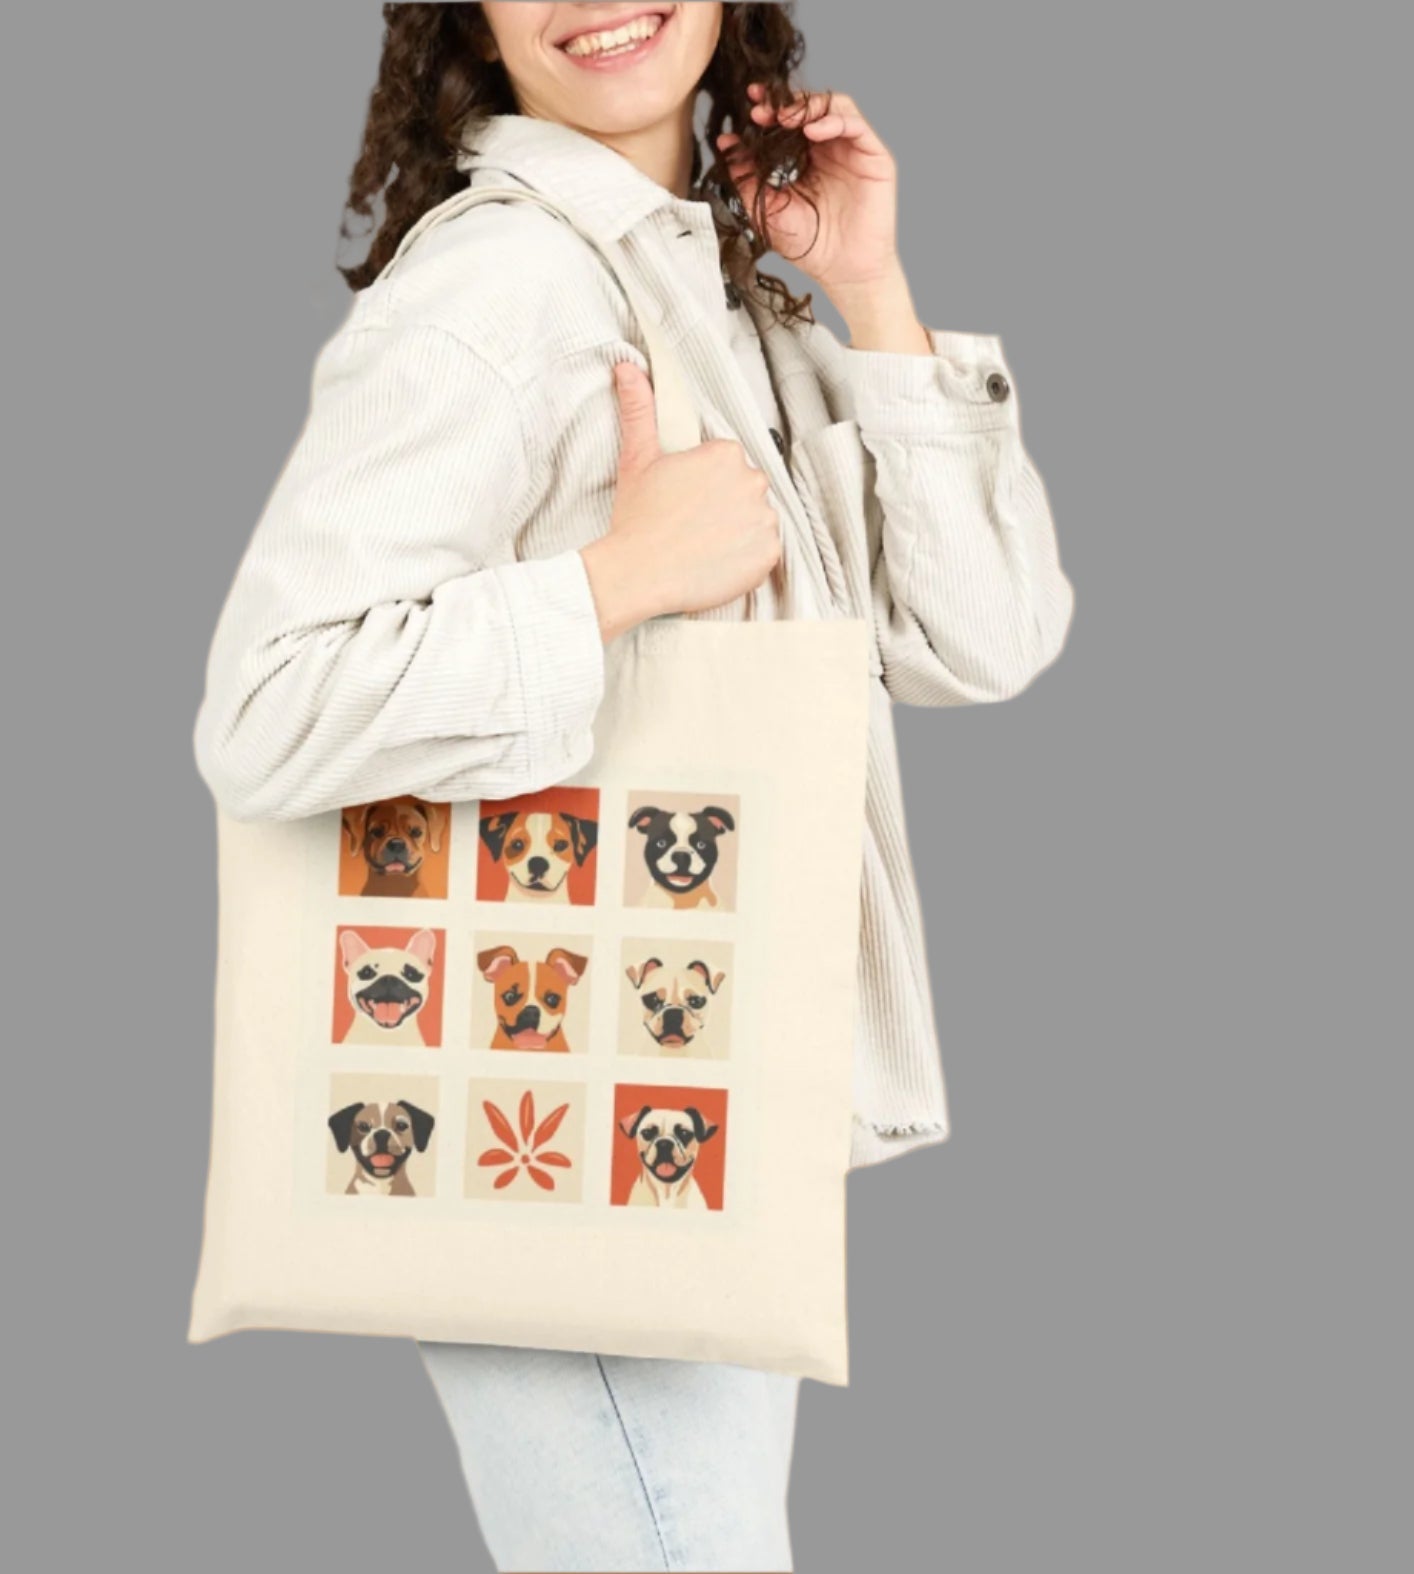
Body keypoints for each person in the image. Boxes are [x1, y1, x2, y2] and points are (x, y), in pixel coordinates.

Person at [191, 5, 1073, 1569]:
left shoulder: (708, 285)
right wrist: (612, 581)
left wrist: (866, 285)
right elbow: (266, 708)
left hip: (688, 1097)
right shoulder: (500, 283)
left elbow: (984, 639)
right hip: (557, 1105)